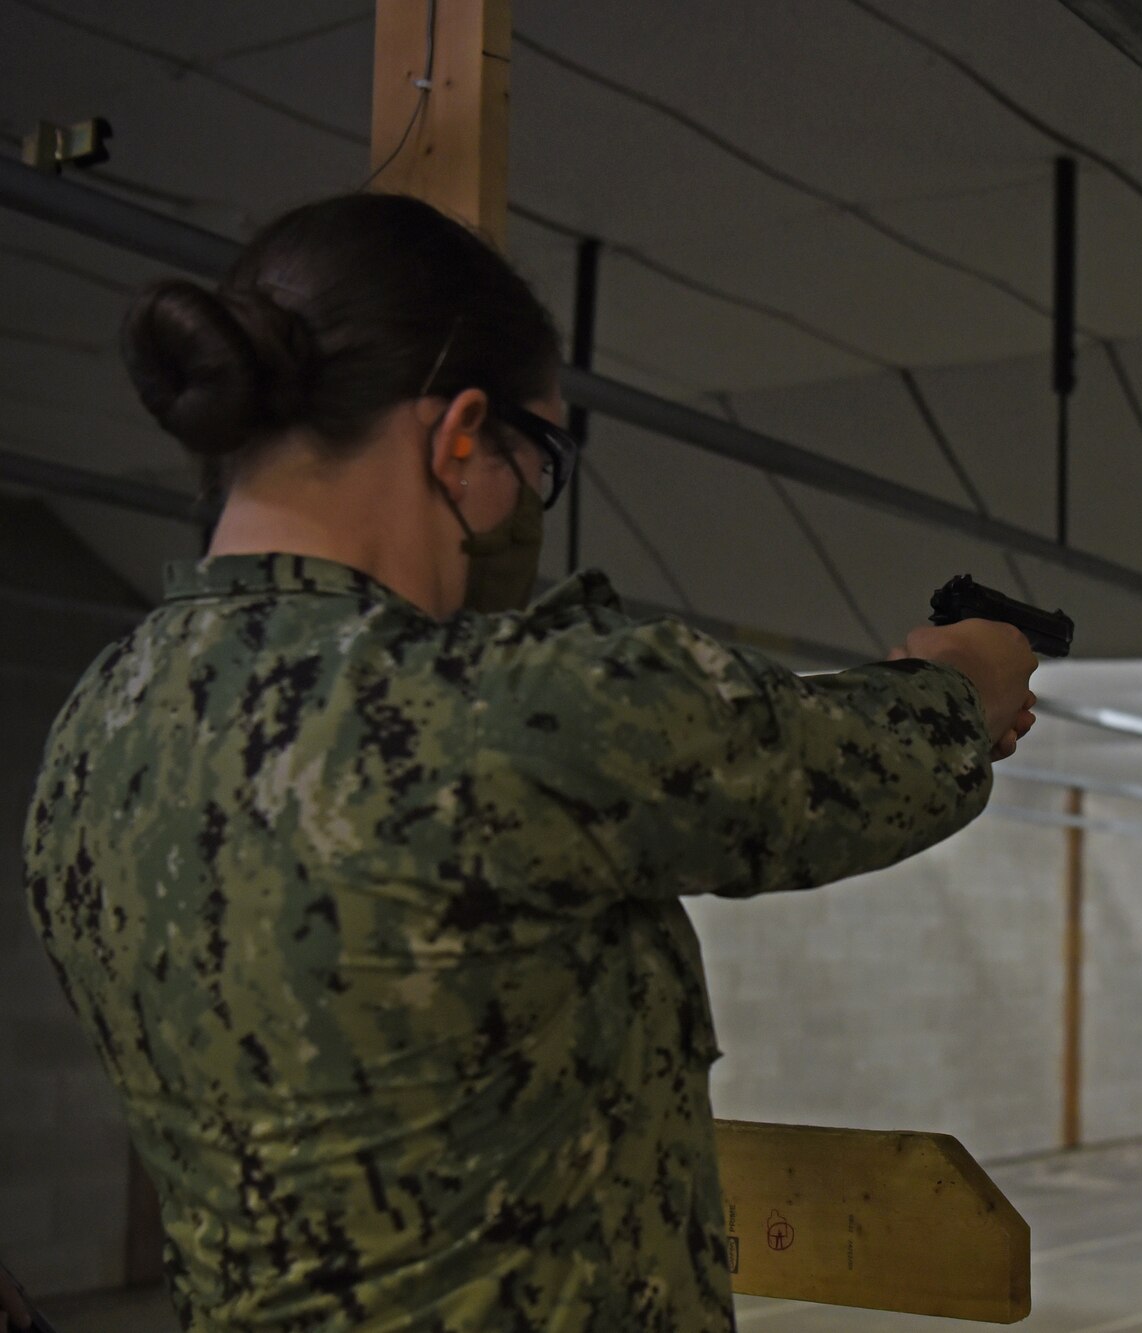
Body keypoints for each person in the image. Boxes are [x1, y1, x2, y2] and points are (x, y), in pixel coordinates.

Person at [22, 192, 1038, 1332]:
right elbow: (846, 765)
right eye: (536, 455)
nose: (524, 504)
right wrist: (968, 683)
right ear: (460, 439)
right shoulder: (491, 710)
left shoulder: (92, 732)